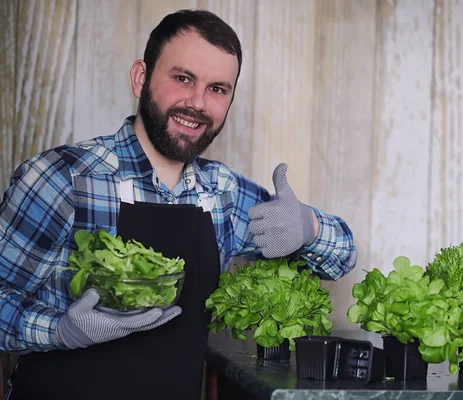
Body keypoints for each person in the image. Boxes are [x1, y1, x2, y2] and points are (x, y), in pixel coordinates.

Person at [0, 9, 356, 400]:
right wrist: (60, 330)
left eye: (217, 89)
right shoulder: (61, 178)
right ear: (141, 77)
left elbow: (341, 257)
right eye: (183, 78)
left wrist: (309, 227)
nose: (197, 103)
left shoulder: (224, 194)